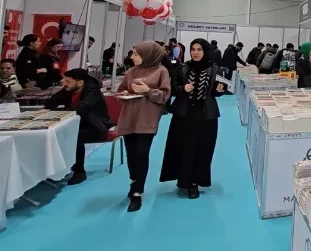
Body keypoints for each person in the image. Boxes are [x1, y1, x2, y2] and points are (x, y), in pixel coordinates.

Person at [160, 39, 224, 199]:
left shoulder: (215, 69)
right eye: (193, 49)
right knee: (184, 148)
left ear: (205, 51)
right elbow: (172, 87)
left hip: (206, 116)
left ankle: (195, 181)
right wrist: (183, 89)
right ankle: (184, 181)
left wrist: (219, 90)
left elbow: (218, 92)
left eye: (199, 50)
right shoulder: (182, 68)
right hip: (184, 114)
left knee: (203, 149)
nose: (195, 52)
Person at [116, 41, 171, 212]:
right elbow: (121, 89)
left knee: (142, 153)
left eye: (136, 54)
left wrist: (147, 91)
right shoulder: (131, 71)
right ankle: (134, 181)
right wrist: (124, 93)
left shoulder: (161, 71)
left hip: (147, 118)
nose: (132, 57)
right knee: (131, 153)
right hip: (129, 117)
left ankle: (138, 191)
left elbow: (164, 95)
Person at [46, 69, 111, 184]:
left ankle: (79, 171)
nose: (64, 83)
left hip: (96, 125)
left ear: (80, 82)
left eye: (68, 81)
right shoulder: (69, 89)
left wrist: (58, 111)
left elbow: (80, 109)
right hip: (77, 123)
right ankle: (60, 169)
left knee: (75, 135)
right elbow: (50, 104)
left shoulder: (93, 91)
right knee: (55, 134)